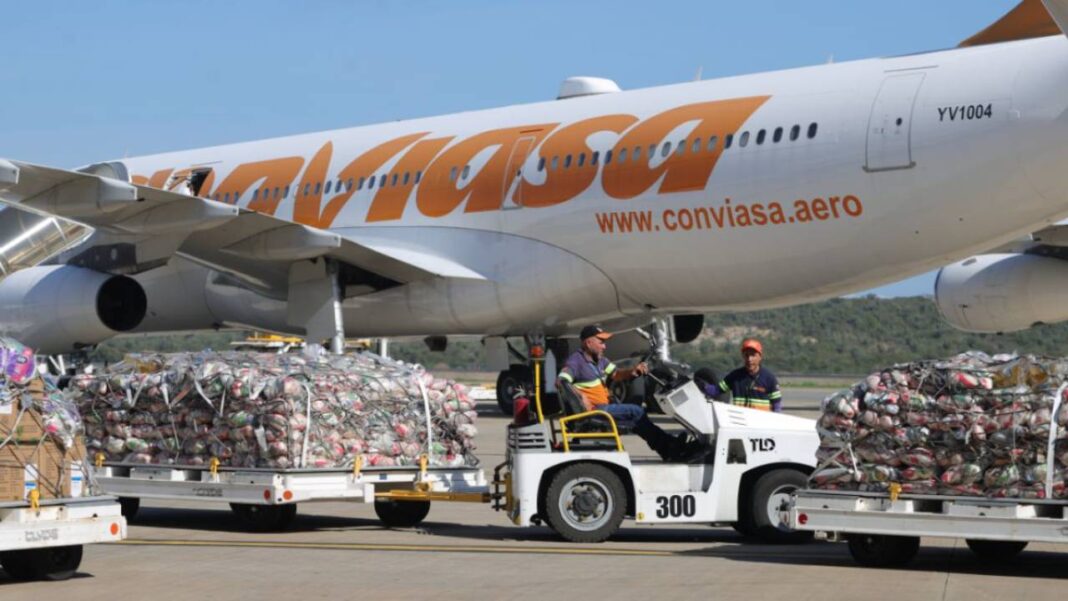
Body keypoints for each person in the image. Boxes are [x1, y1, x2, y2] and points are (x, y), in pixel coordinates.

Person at [558, 325, 687, 460]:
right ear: (588, 343)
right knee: (636, 412)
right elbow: (561, 381)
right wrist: (581, 396)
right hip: (595, 411)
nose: (604, 346)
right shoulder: (576, 361)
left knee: (636, 420)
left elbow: (616, 374)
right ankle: (669, 447)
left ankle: (669, 448)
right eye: (601, 342)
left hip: (603, 408)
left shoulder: (600, 360)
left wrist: (633, 371)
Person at [717, 339, 783, 412]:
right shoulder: (734, 376)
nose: (749, 359)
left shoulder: (769, 378)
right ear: (743, 356)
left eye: (753, 355)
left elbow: (777, 405)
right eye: (746, 355)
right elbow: (717, 390)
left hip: (761, 419)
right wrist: (706, 387)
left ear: (760, 357)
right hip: (740, 418)